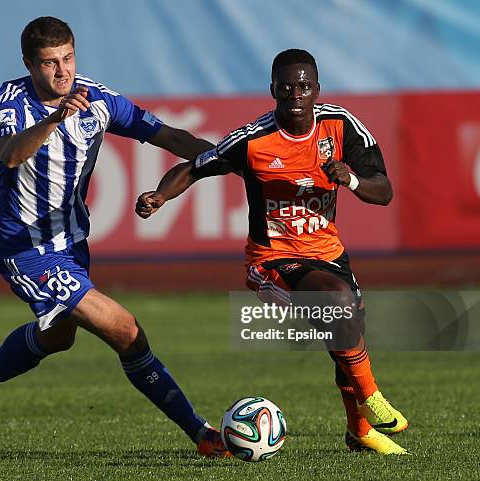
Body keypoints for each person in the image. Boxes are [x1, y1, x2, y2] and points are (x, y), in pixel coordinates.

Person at [0, 16, 230, 458]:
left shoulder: (97, 98)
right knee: (126, 330)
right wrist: (56, 118)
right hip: (27, 249)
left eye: (68, 58)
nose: (62, 72)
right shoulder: (11, 99)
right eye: (49, 63)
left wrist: (226, 158)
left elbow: (166, 134)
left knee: (59, 337)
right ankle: (203, 435)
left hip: (72, 243)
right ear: (29, 64)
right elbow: (10, 154)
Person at [136, 49, 409, 455]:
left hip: (329, 255)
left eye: (303, 87)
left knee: (347, 333)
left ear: (317, 89)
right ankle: (372, 396)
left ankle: (360, 432)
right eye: (286, 88)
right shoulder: (253, 140)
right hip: (271, 262)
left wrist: (350, 179)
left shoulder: (341, 126)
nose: (295, 95)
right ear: (273, 91)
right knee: (339, 310)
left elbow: (383, 191)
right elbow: (196, 166)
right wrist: (160, 195)